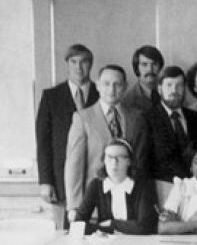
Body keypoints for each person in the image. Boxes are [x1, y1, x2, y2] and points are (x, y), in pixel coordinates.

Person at [65, 64, 150, 216]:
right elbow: (74, 165)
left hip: (129, 203)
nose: (111, 89)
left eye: (117, 84)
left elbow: (139, 162)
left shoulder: (137, 118)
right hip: (94, 204)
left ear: (125, 87)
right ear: (97, 85)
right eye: (106, 84)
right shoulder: (82, 118)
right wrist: (74, 207)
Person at [35, 44, 99, 228]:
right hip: (60, 180)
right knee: (64, 232)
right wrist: (46, 181)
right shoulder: (51, 97)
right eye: (74, 62)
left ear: (91, 64)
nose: (79, 67)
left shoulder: (102, 93)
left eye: (84, 62)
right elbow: (43, 143)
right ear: (67, 64)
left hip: (95, 178)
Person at [72, 139, 157, 235]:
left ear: (129, 161)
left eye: (120, 157)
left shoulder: (142, 186)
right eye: (109, 157)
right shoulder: (96, 185)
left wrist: (112, 224)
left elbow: (145, 226)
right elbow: (78, 223)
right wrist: (104, 228)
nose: (114, 162)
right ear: (104, 160)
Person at [144, 66, 197, 183]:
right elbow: (144, 161)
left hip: (195, 186)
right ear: (160, 88)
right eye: (169, 85)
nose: (174, 90)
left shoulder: (196, 118)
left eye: (179, 85)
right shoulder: (147, 119)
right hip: (163, 187)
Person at [122, 45, 164, 111]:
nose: (150, 69)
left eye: (154, 64)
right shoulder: (128, 101)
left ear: (160, 67)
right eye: (144, 64)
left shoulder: (166, 92)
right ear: (137, 68)